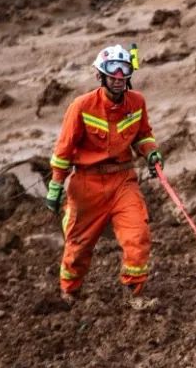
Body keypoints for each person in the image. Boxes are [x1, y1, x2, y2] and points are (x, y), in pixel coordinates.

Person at [45, 44, 164, 308]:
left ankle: (134, 293)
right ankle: (70, 292)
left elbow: (143, 134)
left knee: (138, 236)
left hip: (123, 180)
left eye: (124, 71)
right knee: (78, 246)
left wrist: (151, 153)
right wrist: (55, 185)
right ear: (100, 75)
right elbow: (63, 150)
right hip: (87, 184)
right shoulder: (81, 106)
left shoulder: (137, 102)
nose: (119, 77)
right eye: (113, 72)